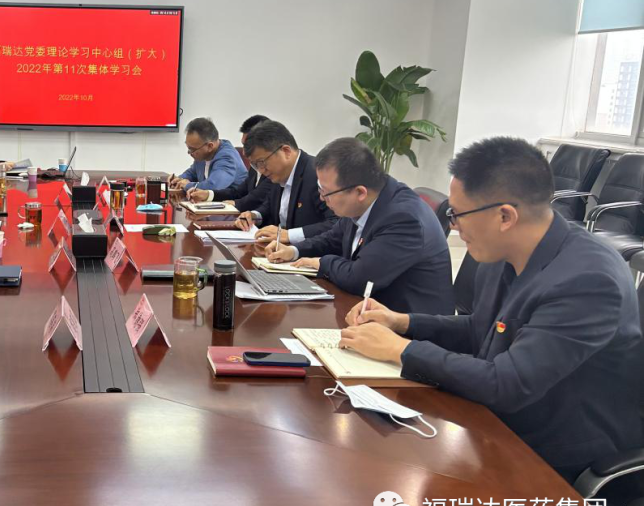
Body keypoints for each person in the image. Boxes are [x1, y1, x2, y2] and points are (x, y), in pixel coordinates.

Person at [338, 137, 642, 481]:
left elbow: (506, 384)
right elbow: (481, 329)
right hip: (498, 425)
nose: (453, 226)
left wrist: (401, 350)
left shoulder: (587, 280)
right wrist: (402, 322)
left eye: (457, 214)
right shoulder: (504, 252)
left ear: (505, 216)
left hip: (557, 456)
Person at [266, 137, 453, 314]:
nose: (322, 198)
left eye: (326, 193)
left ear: (360, 192)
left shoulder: (403, 219)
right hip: (369, 309)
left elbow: (360, 279)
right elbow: (333, 237)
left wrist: (322, 262)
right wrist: (294, 251)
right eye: (320, 189)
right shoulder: (365, 200)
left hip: (406, 326)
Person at [232, 120, 336, 243]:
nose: (261, 170)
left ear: (286, 151)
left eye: (261, 162)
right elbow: (269, 207)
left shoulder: (317, 174)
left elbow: (336, 223)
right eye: (255, 165)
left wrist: (289, 235)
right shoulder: (279, 174)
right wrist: (253, 216)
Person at [188, 114, 274, 212]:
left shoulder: (274, 169)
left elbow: (256, 198)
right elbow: (237, 192)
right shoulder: (255, 167)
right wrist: (208, 194)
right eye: (243, 145)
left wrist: (235, 203)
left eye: (248, 146)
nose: (244, 152)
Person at [167, 117, 246, 193]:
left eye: (192, 149)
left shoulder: (227, 158)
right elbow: (192, 173)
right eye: (188, 147)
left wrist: (187, 185)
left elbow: (213, 187)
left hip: (233, 201)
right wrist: (178, 179)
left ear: (210, 146)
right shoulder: (203, 155)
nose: (189, 153)